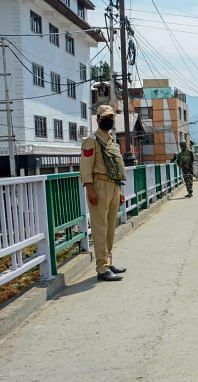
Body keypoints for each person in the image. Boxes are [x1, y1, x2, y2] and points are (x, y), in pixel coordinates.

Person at [79, 105, 127, 282]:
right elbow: (85, 168)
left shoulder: (110, 140)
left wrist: (119, 189)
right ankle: (101, 268)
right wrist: (90, 188)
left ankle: (108, 262)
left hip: (113, 186)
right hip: (98, 186)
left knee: (110, 228)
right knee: (100, 229)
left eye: (111, 117)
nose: (110, 120)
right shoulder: (92, 141)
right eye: (106, 117)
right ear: (98, 119)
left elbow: (114, 167)